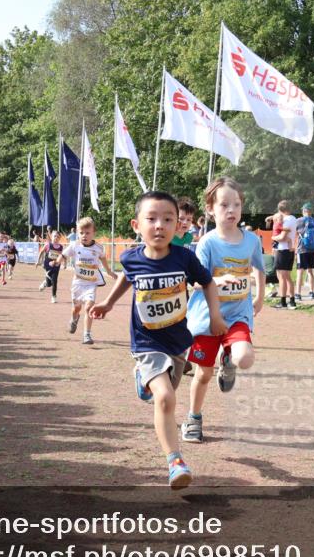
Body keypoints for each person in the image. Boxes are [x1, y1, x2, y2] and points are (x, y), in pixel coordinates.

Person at [90, 191, 226, 489]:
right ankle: (175, 461)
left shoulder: (184, 257)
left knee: (165, 394)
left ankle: (144, 380)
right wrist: (108, 304)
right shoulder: (131, 257)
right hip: (146, 343)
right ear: (136, 225)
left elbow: (208, 282)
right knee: (165, 398)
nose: (160, 226)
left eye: (168, 219)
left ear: (178, 225)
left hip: (178, 342)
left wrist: (215, 317)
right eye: (151, 219)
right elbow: (128, 275)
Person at [181, 177, 265, 444]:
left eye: (237, 204)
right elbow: (195, 280)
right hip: (208, 317)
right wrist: (214, 281)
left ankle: (229, 360)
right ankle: (193, 418)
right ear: (210, 209)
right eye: (224, 205)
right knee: (203, 374)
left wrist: (260, 298)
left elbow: (259, 269)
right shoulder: (207, 243)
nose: (232, 210)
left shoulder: (251, 240)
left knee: (245, 358)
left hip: (238, 314)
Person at [64, 217, 117, 344]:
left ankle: (87, 335)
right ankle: (74, 317)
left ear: (94, 233)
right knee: (76, 308)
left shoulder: (98, 248)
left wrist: (109, 271)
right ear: (77, 233)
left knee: (89, 307)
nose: (84, 235)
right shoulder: (75, 245)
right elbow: (64, 255)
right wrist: (57, 262)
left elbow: (103, 258)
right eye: (81, 233)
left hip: (90, 284)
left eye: (87, 233)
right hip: (77, 283)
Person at [270, 200, 298, 309]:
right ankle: (292, 300)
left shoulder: (285, 220)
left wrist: (273, 238)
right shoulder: (293, 218)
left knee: (281, 277)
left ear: (280, 210)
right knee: (287, 277)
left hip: (283, 250)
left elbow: (281, 237)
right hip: (289, 251)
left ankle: (282, 302)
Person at [294, 202, 314, 301]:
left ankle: (298, 294)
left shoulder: (298, 221)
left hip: (302, 249)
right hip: (312, 249)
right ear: (311, 211)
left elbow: (295, 235)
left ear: (303, 211)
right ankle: (312, 292)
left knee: (300, 271)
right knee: (310, 271)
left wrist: (295, 249)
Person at [36, 229, 64, 303]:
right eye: (55, 236)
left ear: (60, 238)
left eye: (58, 237)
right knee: (49, 283)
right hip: (48, 265)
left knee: (54, 281)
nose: (56, 238)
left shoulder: (61, 247)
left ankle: (53, 297)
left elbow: (62, 256)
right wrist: (38, 261)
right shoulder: (48, 245)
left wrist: (64, 264)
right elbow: (41, 252)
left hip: (56, 265)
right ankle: (45, 283)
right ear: (51, 237)